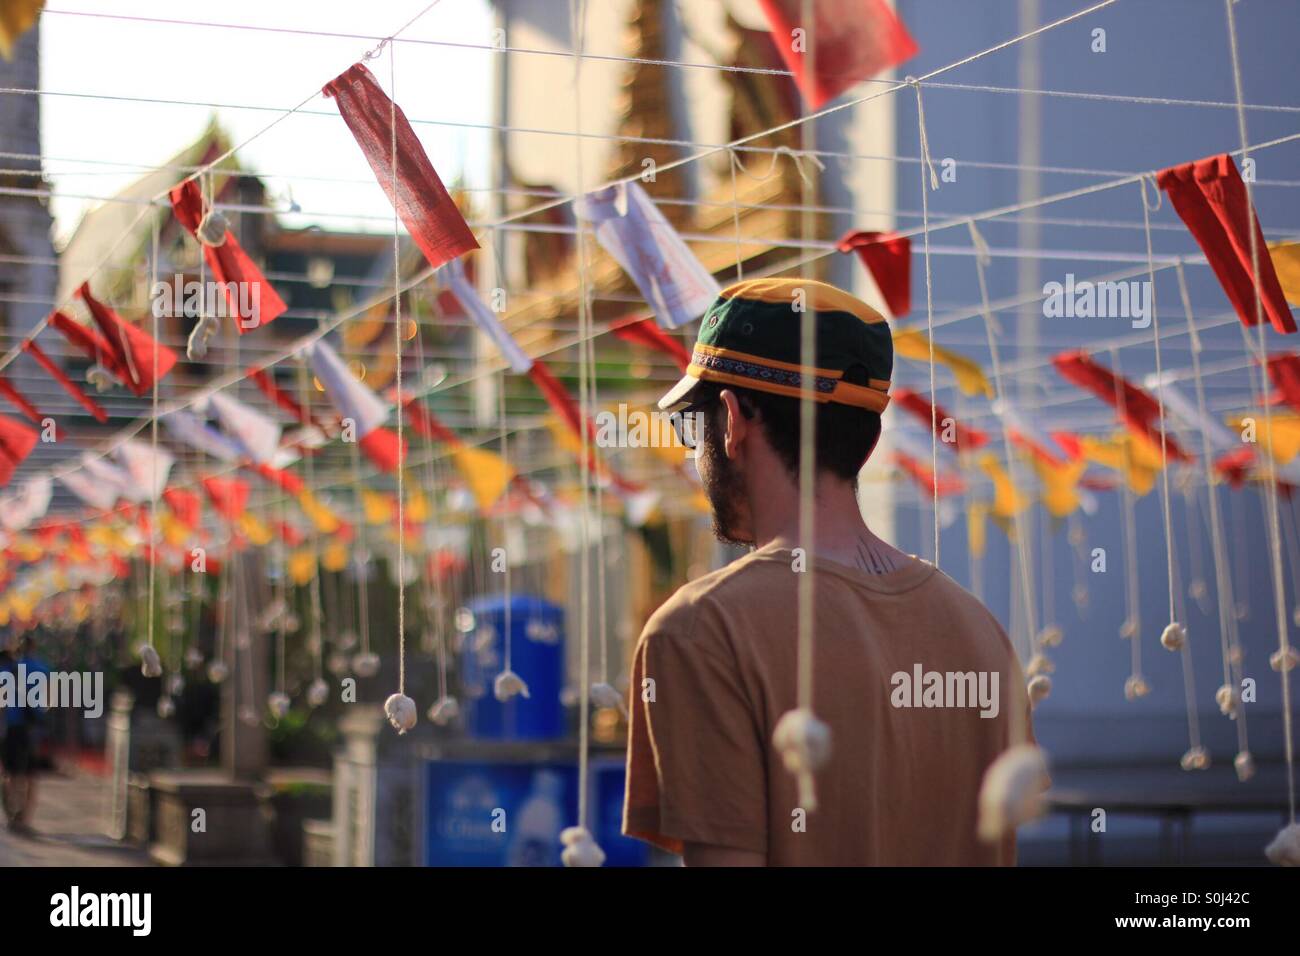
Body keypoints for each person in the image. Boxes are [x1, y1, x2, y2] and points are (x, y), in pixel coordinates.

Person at [622, 277, 1036, 866]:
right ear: (865, 445)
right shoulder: (979, 630)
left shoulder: (700, 630)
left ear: (733, 420)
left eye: (697, 427)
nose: (696, 453)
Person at [1, 634, 51, 833]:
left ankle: (12, 811)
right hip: (32, 729)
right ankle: (25, 819)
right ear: (34, 647)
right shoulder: (41, 668)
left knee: (10, 773)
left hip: (10, 728)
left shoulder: (7, 670)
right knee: (31, 774)